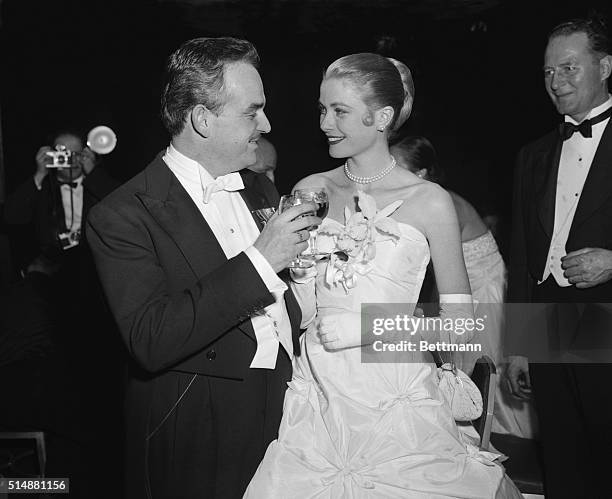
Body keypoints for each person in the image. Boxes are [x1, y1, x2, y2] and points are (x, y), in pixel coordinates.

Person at [245, 53, 521, 497]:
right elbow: (301, 308)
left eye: (339, 111)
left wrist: (366, 327)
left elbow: (462, 329)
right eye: (322, 109)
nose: (324, 123)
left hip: (396, 393)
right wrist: (298, 276)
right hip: (319, 393)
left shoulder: (429, 201)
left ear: (382, 117)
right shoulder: (310, 189)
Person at [86, 37, 320, 499]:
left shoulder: (263, 192)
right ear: (202, 119)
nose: (267, 124)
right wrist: (261, 260)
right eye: (252, 112)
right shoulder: (122, 214)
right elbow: (152, 339)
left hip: (289, 410)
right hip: (199, 422)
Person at [507, 17, 612, 497]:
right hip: (549, 322)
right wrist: (520, 345)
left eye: (569, 68)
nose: (557, 82)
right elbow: (524, 254)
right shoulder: (533, 153)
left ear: (605, 66)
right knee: (564, 459)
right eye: (548, 72)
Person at [392, 135, 536, 439]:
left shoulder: (443, 204)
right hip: (464, 292)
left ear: (420, 174)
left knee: (480, 370)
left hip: (482, 292)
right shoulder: (418, 201)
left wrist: (432, 322)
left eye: (397, 167)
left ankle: (500, 440)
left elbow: (445, 277)